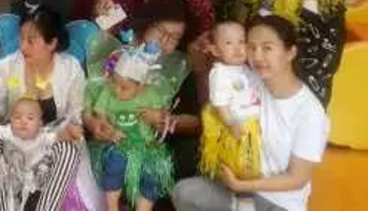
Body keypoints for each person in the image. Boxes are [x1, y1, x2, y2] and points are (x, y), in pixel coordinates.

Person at [172, 15, 330, 211]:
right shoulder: (251, 80)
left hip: (278, 203)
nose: (257, 56)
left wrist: (242, 186)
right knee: (185, 192)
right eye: (251, 47)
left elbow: (297, 179)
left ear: (290, 52)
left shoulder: (310, 112)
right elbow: (218, 100)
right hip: (239, 185)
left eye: (267, 48)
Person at [0, 10, 96, 211]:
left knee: (69, 150)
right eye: (21, 39)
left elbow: (75, 115)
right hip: (15, 138)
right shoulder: (5, 67)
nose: (23, 46)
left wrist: (73, 130)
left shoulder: (70, 68)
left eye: (31, 41)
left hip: (53, 140)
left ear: (52, 43)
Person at [84, 29, 189, 211]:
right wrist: (109, 129)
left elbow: (161, 118)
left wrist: (157, 117)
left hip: (145, 144)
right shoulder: (108, 92)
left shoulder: (150, 95)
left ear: (141, 86)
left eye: (124, 87)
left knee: (153, 170)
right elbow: (100, 114)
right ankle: (112, 207)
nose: (116, 89)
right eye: (114, 82)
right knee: (116, 161)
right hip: (118, 142)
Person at [0, 97, 83, 211]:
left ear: (40, 124)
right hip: (12, 177)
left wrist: (70, 132)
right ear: (11, 121)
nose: (23, 122)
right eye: (17, 117)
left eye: (30, 118)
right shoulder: (8, 132)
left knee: (68, 149)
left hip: (36, 179)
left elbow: (59, 136)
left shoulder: (43, 137)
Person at [199, 21, 262, 187]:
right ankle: (237, 189)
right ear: (215, 50)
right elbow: (220, 103)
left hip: (255, 126)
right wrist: (230, 123)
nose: (238, 48)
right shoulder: (220, 73)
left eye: (242, 42)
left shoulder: (247, 69)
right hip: (238, 126)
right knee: (239, 165)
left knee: (255, 164)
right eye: (229, 43)